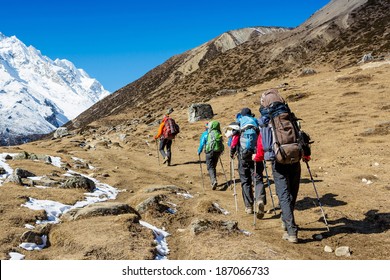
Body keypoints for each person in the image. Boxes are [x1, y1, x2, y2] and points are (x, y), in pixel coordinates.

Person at [232, 108, 266, 218]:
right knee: (258, 178)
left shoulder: (239, 123)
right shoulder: (256, 122)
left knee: (245, 181)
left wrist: (232, 152)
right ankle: (260, 199)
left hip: (243, 156)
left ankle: (248, 206)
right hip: (256, 155)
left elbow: (233, 141)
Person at [197, 121, 224, 190]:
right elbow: (222, 143)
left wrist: (199, 151)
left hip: (209, 152)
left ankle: (213, 181)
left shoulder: (206, 134)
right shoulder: (218, 133)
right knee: (213, 166)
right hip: (217, 151)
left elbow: (202, 143)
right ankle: (214, 180)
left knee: (210, 167)